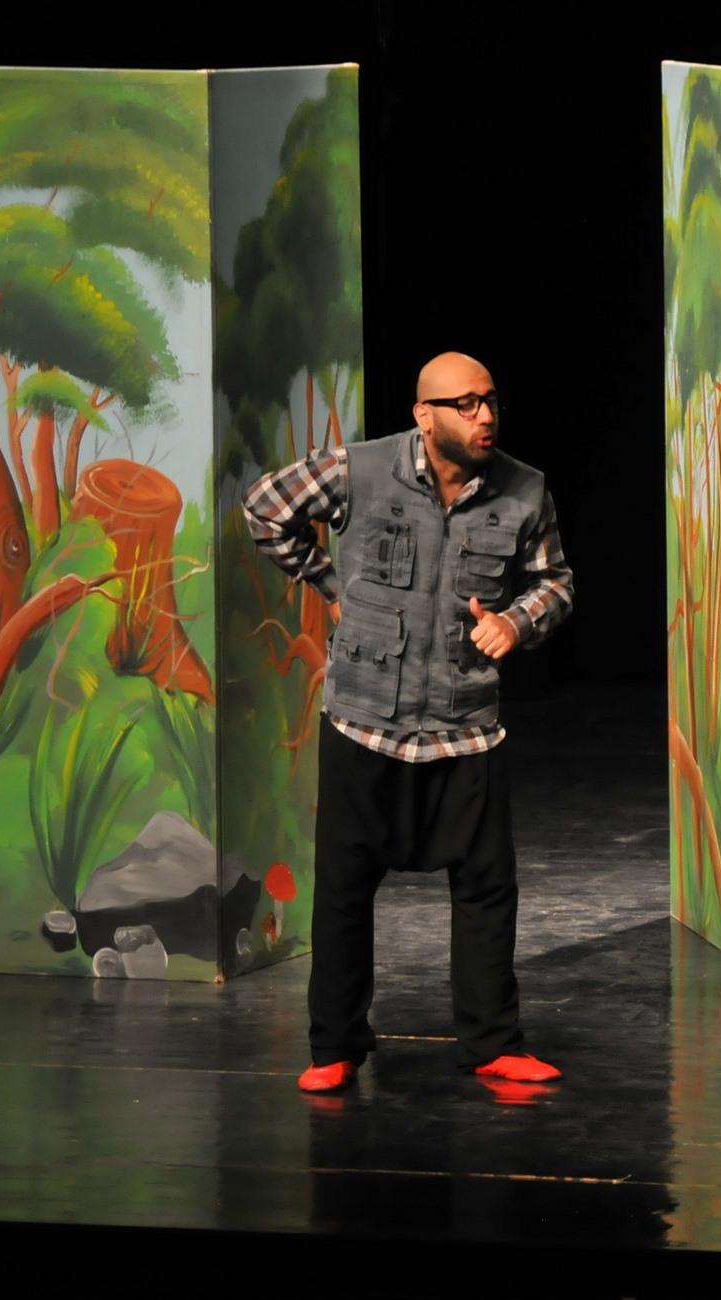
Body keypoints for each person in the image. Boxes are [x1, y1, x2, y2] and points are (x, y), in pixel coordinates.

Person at [243, 351, 575, 1093]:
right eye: (466, 403)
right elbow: (264, 506)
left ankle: (493, 1043)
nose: (485, 415)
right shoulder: (360, 470)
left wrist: (517, 623)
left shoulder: (525, 490)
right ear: (425, 416)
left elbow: (555, 582)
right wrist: (328, 581)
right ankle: (334, 1046)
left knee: (487, 889)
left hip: (465, 724)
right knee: (343, 891)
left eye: (491, 400)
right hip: (365, 719)